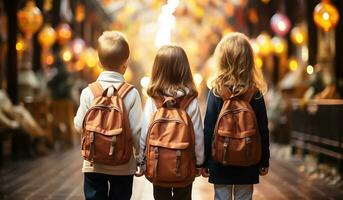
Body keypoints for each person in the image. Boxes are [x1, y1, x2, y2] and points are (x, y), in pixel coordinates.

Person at [74, 31, 142, 200]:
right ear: (125, 65)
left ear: (99, 63)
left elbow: (78, 124)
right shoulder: (131, 93)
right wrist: (141, 159)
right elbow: (137, 131)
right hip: (123, 164)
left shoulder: (88, 91)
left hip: (93, 163)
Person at [202, 32, 270, 200]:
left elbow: (208, 130)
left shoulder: (216, 92)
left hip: (220, 161)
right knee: (244, 197)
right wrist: (264, 160)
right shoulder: (255, 93)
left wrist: (204, 161)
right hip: (248, 160)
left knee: (221, 196)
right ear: (249, 61)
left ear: (222, 60)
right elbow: (263, 130)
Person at [139, 45, 204, 200]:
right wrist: (200, 162)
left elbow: (145, 132)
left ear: (157, 70)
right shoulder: (190, 100)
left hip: (158, 163)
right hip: (184, 163)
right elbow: (198, 134)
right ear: (185, 69)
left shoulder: (153, 100)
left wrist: (141, 159)